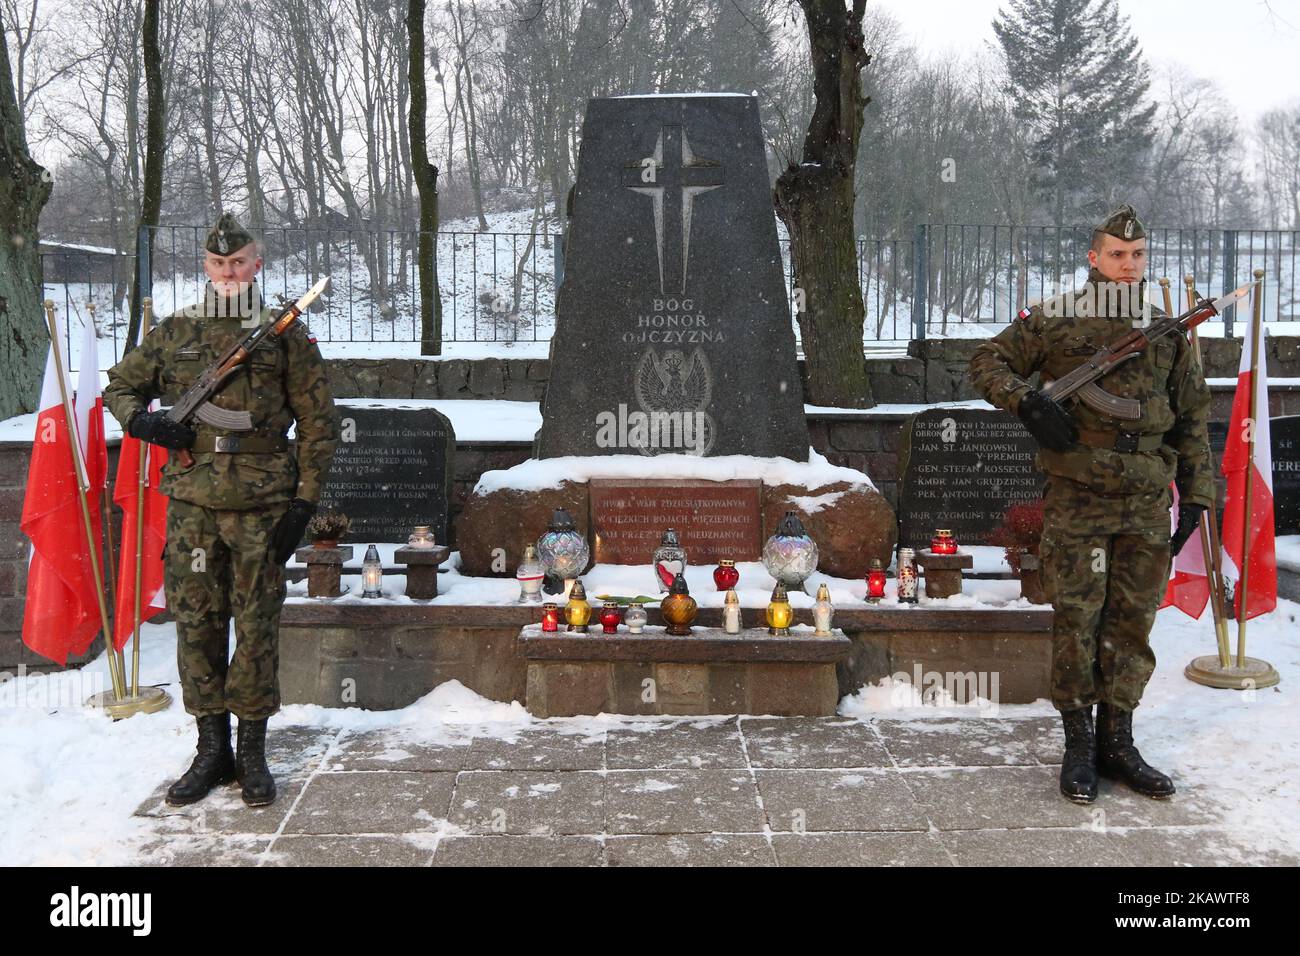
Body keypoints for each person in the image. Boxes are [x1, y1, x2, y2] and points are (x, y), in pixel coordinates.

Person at [970, 204, 1213, 804]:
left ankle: (1118, 742)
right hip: (1078, 496)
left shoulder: (1166, 332)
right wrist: (1025, 402)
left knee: (1132, 623)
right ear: (1093, 257)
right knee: (1078, 620)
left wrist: (1201, 492)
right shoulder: (1054, 321)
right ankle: (1079, 743)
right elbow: (985, 361)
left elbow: (1192, 417)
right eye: (1116, 255)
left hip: (1145, 499)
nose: (1128, 265)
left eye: (1137, 256)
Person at [105, 213, 339, 807]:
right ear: (204, 267)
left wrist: (305, 499)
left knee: (257, 625)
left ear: (256, 264)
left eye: (239, 262)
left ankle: (253, 748)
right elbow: (120, 386)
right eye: (218, 264)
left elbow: (317, 423)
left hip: (263, 505)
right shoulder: (175, 331)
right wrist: (145, 422)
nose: (229, 272)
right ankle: (211, 748)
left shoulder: (286, 335)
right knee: (197, 622)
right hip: (193, 505)